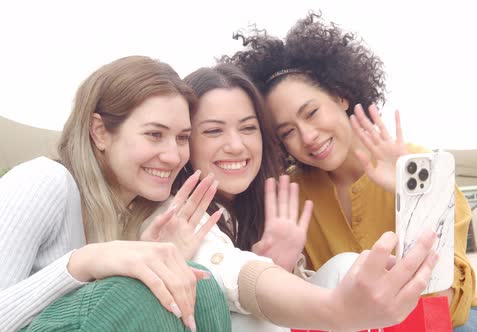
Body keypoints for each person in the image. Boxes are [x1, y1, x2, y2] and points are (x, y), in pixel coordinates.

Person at [223, 13, 477, 331]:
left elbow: (449, 297)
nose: (308, 136)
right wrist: (279, 268)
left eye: (312, 112)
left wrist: (414, 199)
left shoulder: (417, 166)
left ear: (340, 95)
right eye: (287, 131)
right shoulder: (291, 196)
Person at [141, 63, 441, 331]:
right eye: (213, 131)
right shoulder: (174, 214)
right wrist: (275, 273)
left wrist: (410, 190)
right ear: (186, 139)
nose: (235, 145)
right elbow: (232, 274)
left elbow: (441, 284)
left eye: (248, 128)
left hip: (428, 313)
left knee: (346, 266)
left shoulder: (272, 202)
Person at [0, 56, 229, 332]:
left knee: (199, 289)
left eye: (182, 138)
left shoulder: (133, 216)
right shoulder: (43, 181)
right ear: (99, 132)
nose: (173, 156)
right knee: (135, 293)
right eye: (155, 134)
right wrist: (83, 263)